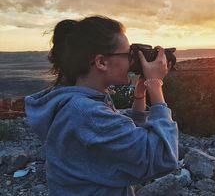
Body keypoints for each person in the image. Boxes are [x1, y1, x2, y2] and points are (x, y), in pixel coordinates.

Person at [24, 16, 179, 196]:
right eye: (128, 55)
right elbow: (163, 157)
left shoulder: (77, 101)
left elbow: (120, 134)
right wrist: (155, 84)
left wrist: (140, 95)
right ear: (101, 62)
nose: (133, 61)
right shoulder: (85, 112)